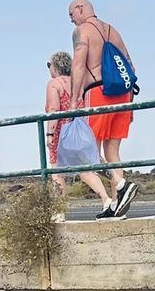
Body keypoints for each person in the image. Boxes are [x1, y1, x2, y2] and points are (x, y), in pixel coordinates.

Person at [68, 0, 139, 219]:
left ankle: (121, 185)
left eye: (71, 15)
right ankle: (116, 206)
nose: (71, 20)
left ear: (80, 9)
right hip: (123, 94)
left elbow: (78, 64)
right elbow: (130, 65)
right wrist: (130, 104)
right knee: (112, 152)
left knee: (87, 152)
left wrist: (74, 100)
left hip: (99, 92)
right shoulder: (113, 30)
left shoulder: (82, 31)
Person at [44, 50, 111, 221]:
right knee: (84, 169)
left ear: (55, 67)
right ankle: (106, 199)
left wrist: (50, 134)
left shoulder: (54, 84)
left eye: (49, 65)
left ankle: (59, 211)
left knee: (57, 172)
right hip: (78, 129)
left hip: (61, 131)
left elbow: (53, 109)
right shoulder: (77, 83)